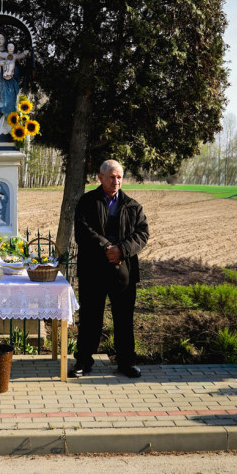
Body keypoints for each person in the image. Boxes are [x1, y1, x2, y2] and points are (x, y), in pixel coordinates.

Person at [69, 159, 149, 379]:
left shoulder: (133, 206)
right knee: (90, 318)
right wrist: (107, 248)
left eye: (120, 177)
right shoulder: (87, 202)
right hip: (93, 270)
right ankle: (83, 362)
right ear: (100, 178)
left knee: (124, 318)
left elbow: (142, 234)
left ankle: (126, 362)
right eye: (112, 177)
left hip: (123, 271)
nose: (117, 181)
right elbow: (83, 231)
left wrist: (121, 250)